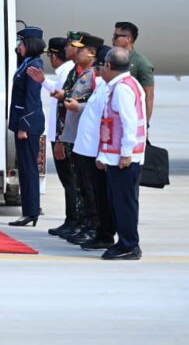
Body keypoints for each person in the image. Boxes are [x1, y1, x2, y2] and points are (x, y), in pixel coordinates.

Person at [96, 46, 147, 261]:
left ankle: (129, 244)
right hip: (118, 155)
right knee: (119, 201)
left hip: (125, 158)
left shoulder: (123, 89)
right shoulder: (128, 84)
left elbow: (129, 123)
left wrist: (125, 154)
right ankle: (124, 242)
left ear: (109, 66)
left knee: (124, 203)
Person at [55, 33, 103, 243]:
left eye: (80, 48)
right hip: (76, 136)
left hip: (86, 139)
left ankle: (93, 226)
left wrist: (75, 105)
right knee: (81, 185)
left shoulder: (95, 77)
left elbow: (94, 106)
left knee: (90, 186)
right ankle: (85, 224)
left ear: (91, 53)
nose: (74, 51)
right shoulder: (83, 74)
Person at [27, 36, 75, 230]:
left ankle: (73, 220)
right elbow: (57, 91)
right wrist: (44, 81)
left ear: (54, 56)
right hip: (61, 135)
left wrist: (60, 140)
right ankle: (71, 220)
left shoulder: (66, 72)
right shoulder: (64, 72)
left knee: (70, 182)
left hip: (63, 136)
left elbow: (63, 106)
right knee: (69, 182)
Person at [71, 45, 116, 251]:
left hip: (96, 151)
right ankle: (97, 231)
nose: (97, 70)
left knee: (97, 195)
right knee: (91, 192)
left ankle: (102, 232)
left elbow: (110, 123)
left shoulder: (112, 89)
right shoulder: (102, 87)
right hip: (87, 149)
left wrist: (103, 152)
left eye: (101, 66)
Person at [7, 28, 46, 227]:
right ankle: (29, 211)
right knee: (25, 168)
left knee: (29, 168)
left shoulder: (33, 66)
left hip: (28, 125)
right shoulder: (27, 63)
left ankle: (31, 211)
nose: (18, 47)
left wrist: (24, 126)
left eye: (21, 43)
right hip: (23, 123)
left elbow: (31, 99)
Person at [112, 21, 154, 123]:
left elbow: (149, 96)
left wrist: (145, 124)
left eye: (117, 36)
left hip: (130, 117)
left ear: (128, 39)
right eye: (114, 35)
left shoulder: (141, 63)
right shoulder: (111, 58)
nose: (113, 39)